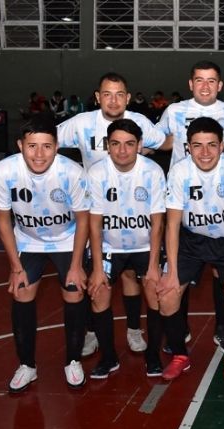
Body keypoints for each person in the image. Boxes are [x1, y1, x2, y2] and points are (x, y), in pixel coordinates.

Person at [57, 72, 166, 357]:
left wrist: (146, 153)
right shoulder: (81, 123)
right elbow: (47, 139)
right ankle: (93, 332)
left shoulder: (139, 122)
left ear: (128, 98)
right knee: (97, 280)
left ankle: (133, 329)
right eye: (107, 94)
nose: (113, 100)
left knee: (131, 275)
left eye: (119, 94)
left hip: (133, 212)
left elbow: (165, 143)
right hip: (97, 212)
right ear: (97, 97)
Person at [0, 115, 90, 393]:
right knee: (21, 292)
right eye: (32, 146)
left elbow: (83, 220)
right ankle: (27, 366)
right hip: (28, 241)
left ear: (56, 147)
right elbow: (2, 222)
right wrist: (14, 266)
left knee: (75, 290)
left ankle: (73, 360)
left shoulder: (71, 172)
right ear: (20, 145)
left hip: (67, 240)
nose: (39, 154)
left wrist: (77, 264)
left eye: (46, 146)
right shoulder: (3, 171)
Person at [156, 60, 224, 352]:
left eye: (211, 81)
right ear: (190, 83)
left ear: (220, 85)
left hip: (222, 201)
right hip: (187, 204)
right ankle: (178, 335)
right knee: (173, 284)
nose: (205, 86)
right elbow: (162, 141)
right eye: (199, 80)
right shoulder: (175, 111)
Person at [157, 117, 224, 383]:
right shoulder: (179, 171)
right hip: (191, 241)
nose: (205, 153)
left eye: (211, 145)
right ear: (188, 147)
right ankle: (179, 355)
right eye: (197, 146)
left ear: (222, 146)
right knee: (167, 294)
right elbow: (171, 224)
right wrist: (172, 271)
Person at [85, 119, 166, 379]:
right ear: (107, 146)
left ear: (139, 145)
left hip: (144, 245)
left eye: (129, 144)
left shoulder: (152, 171)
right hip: (110, 245)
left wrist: (153, 266)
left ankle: (152, 355)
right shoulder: (97, 173)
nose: (122, 151)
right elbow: (94, 225)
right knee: (98, 292)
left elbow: (157, 223)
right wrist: (97, 269)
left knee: (155, 293)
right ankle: (109, 357)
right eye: (116, 144)